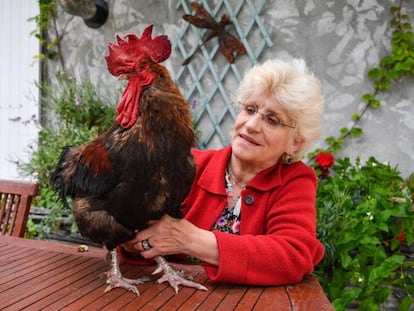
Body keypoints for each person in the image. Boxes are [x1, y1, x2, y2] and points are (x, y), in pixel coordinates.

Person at [120, 58, 325, 286]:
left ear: (295, 143)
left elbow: (293, 256)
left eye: (272, 120)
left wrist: (190, 240)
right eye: (250, 110)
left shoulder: (294, 181)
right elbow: (138, 237)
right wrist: (135, 241)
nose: (251, 125)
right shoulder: (188, 165)